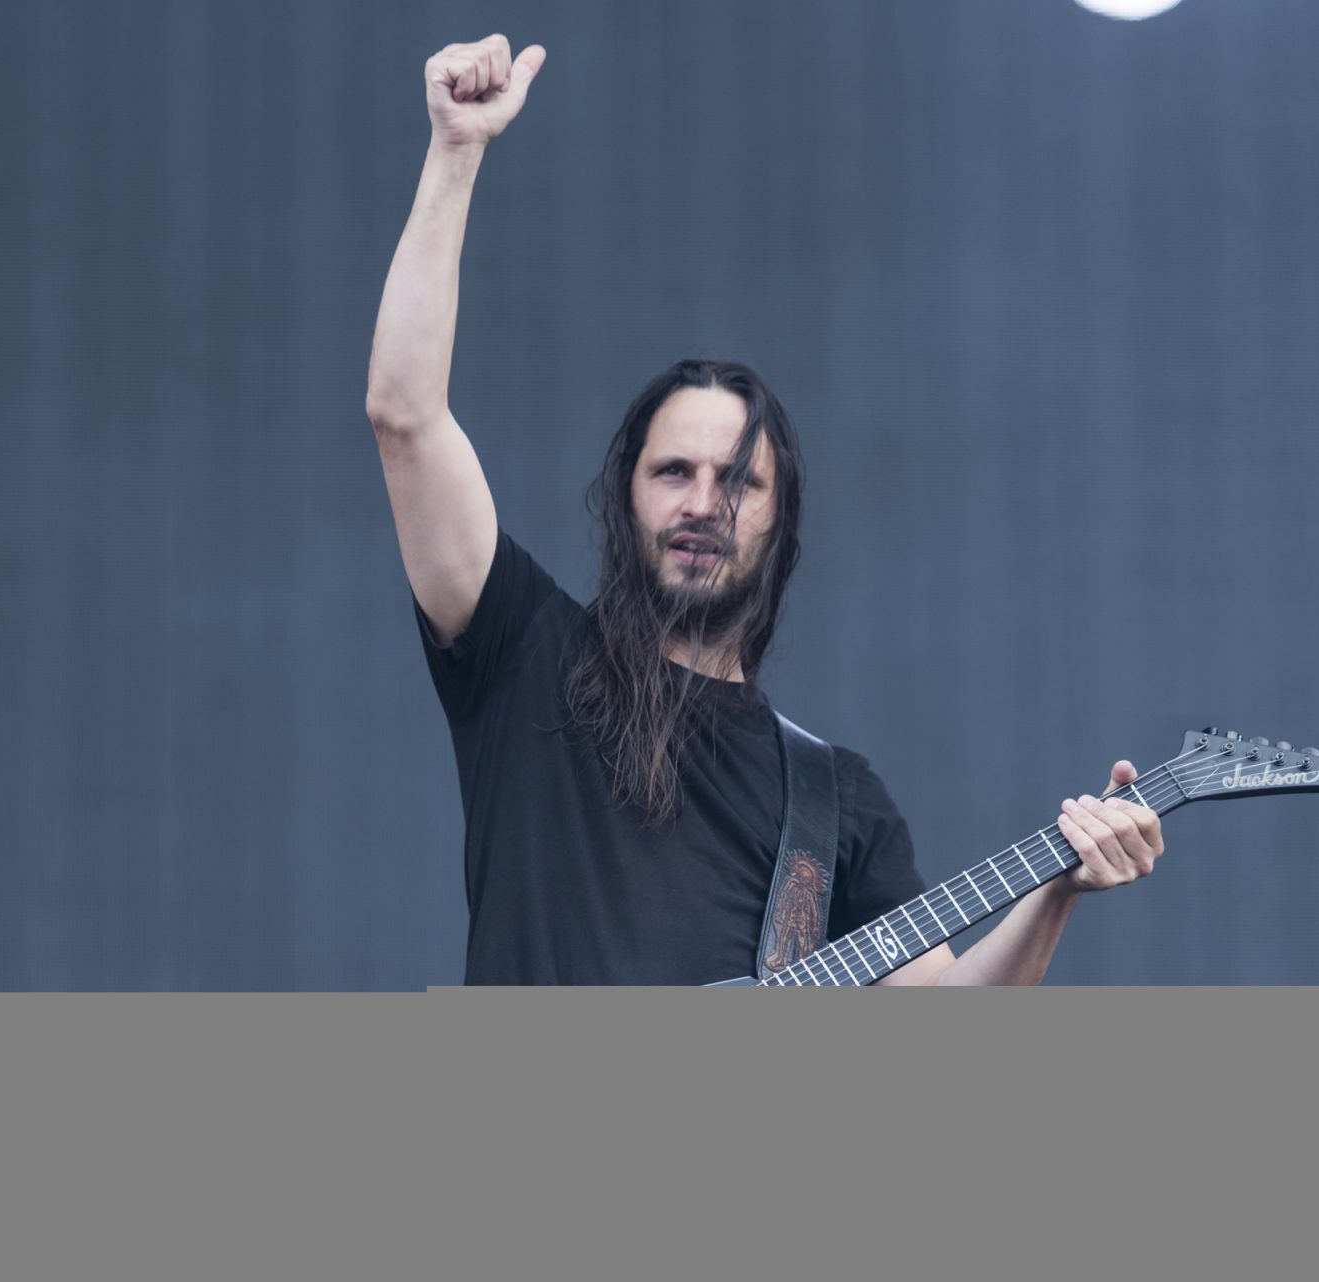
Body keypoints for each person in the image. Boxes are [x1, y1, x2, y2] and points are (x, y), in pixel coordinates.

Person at [365, 35, 1164, 985]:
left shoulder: (832, 799)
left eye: (739, 480)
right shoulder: (524, 651)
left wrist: (1057, 889)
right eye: (674, 471)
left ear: (780, 523)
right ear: (625, 498)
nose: (703, 503)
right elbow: (405, 416)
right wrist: (456, 154)